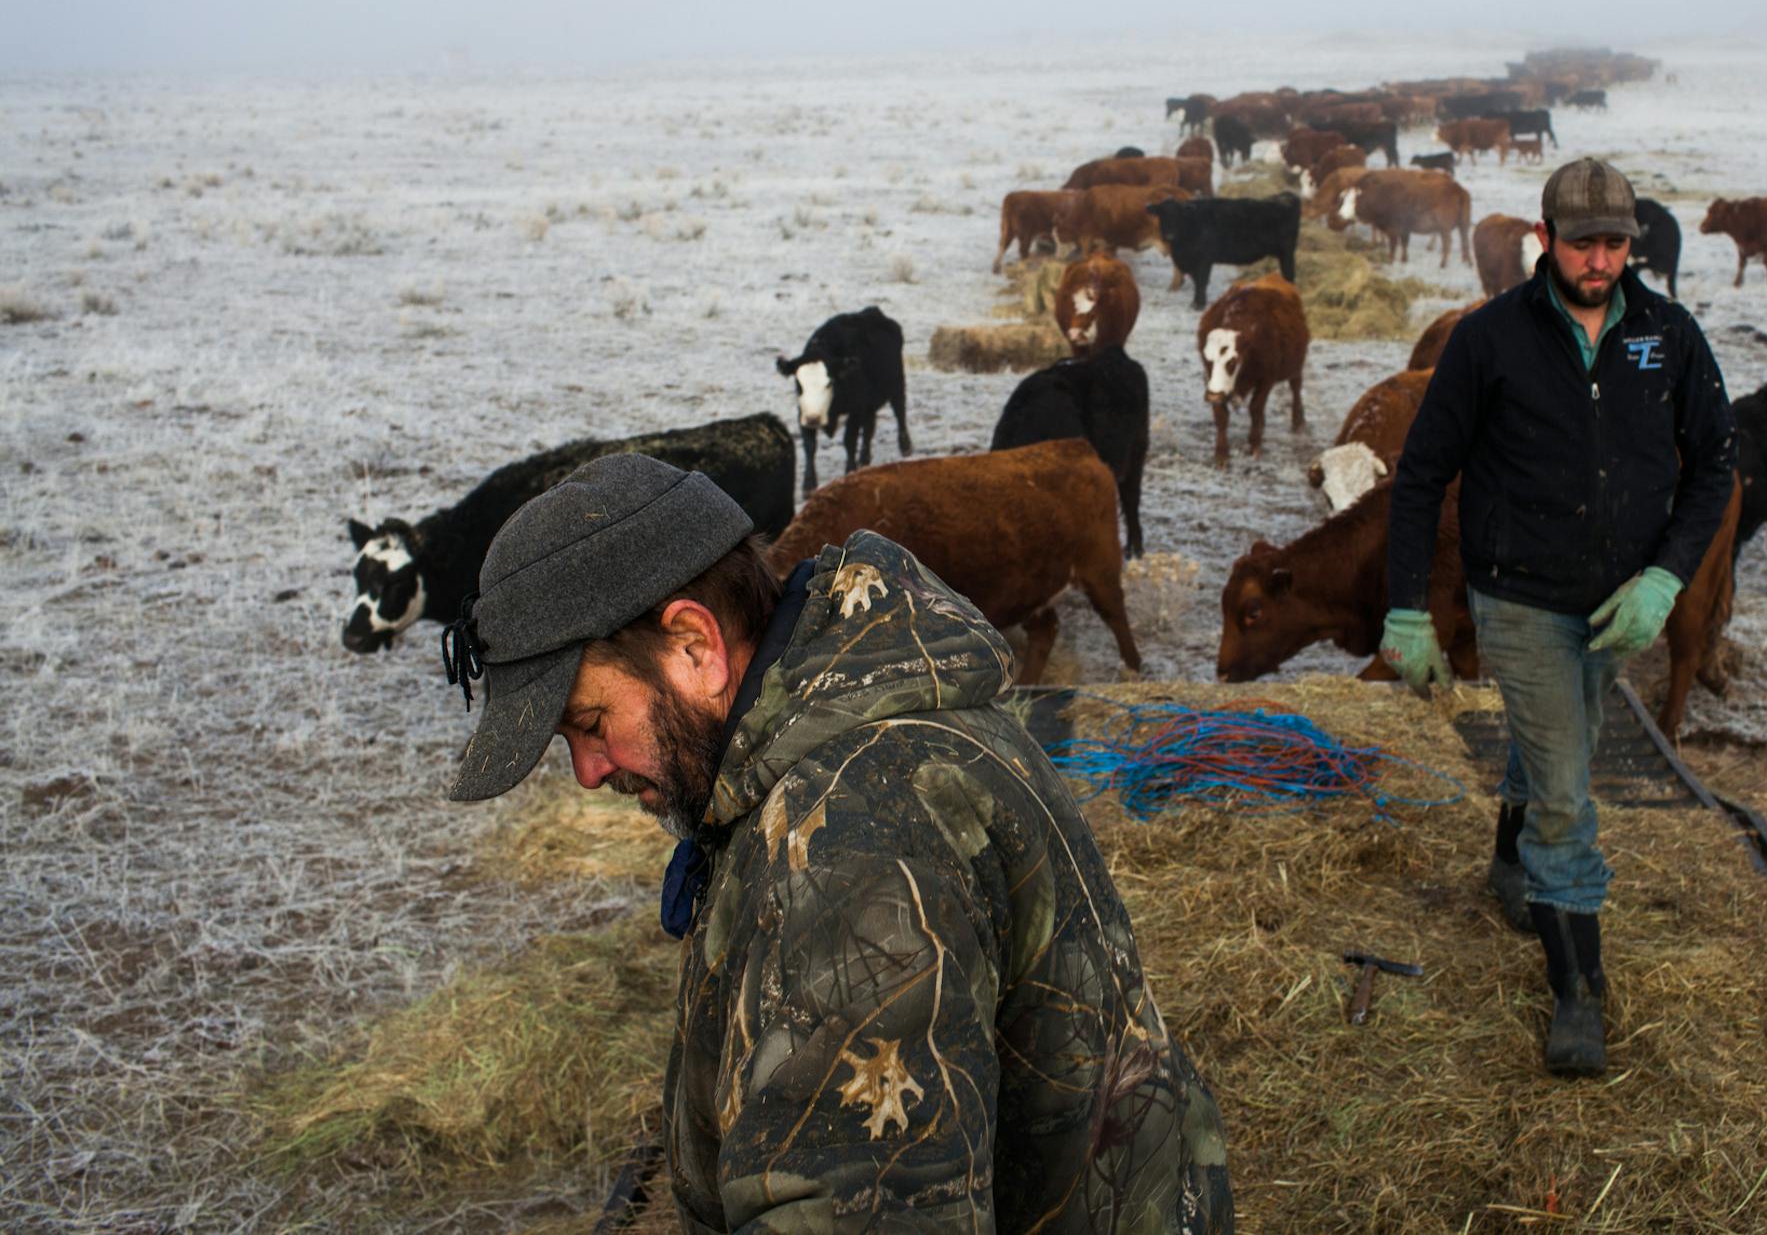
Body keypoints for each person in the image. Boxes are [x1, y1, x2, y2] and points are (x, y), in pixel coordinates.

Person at [439, 452, 1233, 1233]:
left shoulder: (854, 849)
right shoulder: (849, 712)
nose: (585, 772)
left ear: (694, 646)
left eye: (589, 723)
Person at [1379, 158, 1736, 1076]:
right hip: (1522, 596)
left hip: (1620, 606)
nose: (1603, 260)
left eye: (1617, 243)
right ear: (1546, 240)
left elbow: (1714, 467)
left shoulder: (1669, 334)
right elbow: (1421, 475)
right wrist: (1408, 607)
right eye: (1584, 243)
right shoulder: (1488, 339)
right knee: (1570, 795)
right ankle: (1578, 992)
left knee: (1559, 734)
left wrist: (1663, 579)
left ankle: (1508, 857)